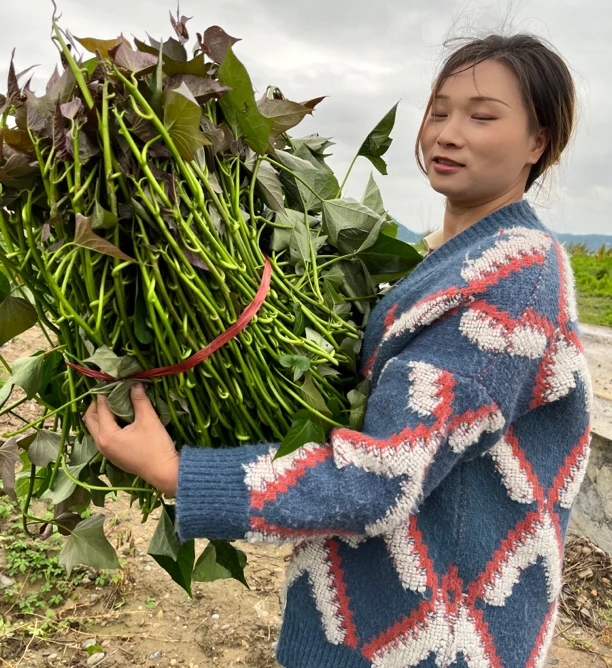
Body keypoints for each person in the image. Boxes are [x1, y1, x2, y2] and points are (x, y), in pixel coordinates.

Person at [84, 33, 592, 668]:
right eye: (439, 110)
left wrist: (179, 473)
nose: (447, 133)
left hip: (430, 641)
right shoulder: (450, 255)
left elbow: (383, 474)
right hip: (370, 615)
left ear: (538, 143)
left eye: (482, 115)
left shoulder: (515, 280)